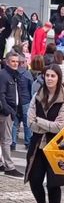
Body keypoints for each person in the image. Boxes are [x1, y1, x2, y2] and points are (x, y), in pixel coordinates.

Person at [25, 64, 64, 203]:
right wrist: (43, 124)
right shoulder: (38, 95)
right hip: (37, 144)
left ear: (58, 78)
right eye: (47, 75)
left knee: (54, 183)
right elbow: (30, 121)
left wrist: (40, 121)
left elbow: (61, 126)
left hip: (56, 146)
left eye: (53, 76)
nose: (49, 78)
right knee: (34, 178)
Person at [0, 51, 24, 179]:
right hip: (6, 112)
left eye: (17, 62)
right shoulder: (5, 75)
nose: (15, 64)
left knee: (3, 139)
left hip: (9, 110)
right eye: (13, 61)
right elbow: (1, 94)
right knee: (6, 140)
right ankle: (9, 166)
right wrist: (8, 110)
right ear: (7, 62)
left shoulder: (13, 75)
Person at [11, 55, 33, 151]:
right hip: (25, 101)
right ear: (23, 63)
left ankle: (13, 142)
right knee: (26, 123)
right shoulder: (27, 74)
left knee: (15, 123)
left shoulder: (12, 73)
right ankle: (28, 142)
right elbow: (31, 88)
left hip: (15, 101)